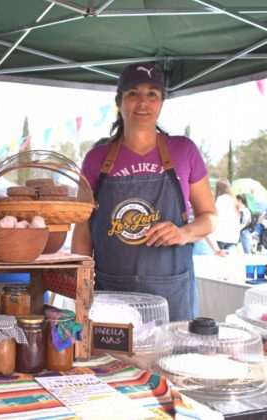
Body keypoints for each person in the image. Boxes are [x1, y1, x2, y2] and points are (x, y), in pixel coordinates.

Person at [71, 62, 216, 321]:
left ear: (161, 102)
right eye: (133, 94)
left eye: (152, 94)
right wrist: (81, 287)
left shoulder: (184, 150)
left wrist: (184, 233)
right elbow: (82, 227)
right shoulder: (96, 158)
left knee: (170, 359)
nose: (143, 102)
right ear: (120, 101)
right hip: (111, 291)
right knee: (111, 360)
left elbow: (209, 217)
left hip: (171, 291)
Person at [212, 180, 240, 251]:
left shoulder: (220, 199)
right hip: (233, 236)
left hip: (220, 235)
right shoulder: (234, 200)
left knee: (219, 260)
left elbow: (217, 217)